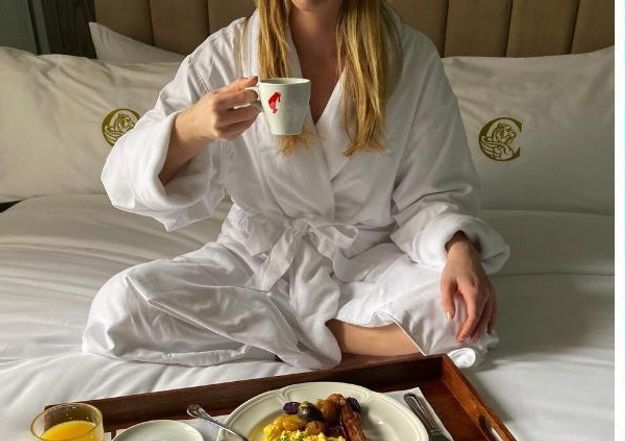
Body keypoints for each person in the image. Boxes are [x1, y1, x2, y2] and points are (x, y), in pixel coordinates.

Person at [85, 0, 506, 371]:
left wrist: (458, 248)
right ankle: (333, 332)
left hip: (366, 257)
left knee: (458, 313)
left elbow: (431, 190)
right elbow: (122, 177)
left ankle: (298, 331)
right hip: (258, 258)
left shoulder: (408, 57)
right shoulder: (227, 54)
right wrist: (192, 127)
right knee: (122, 306)